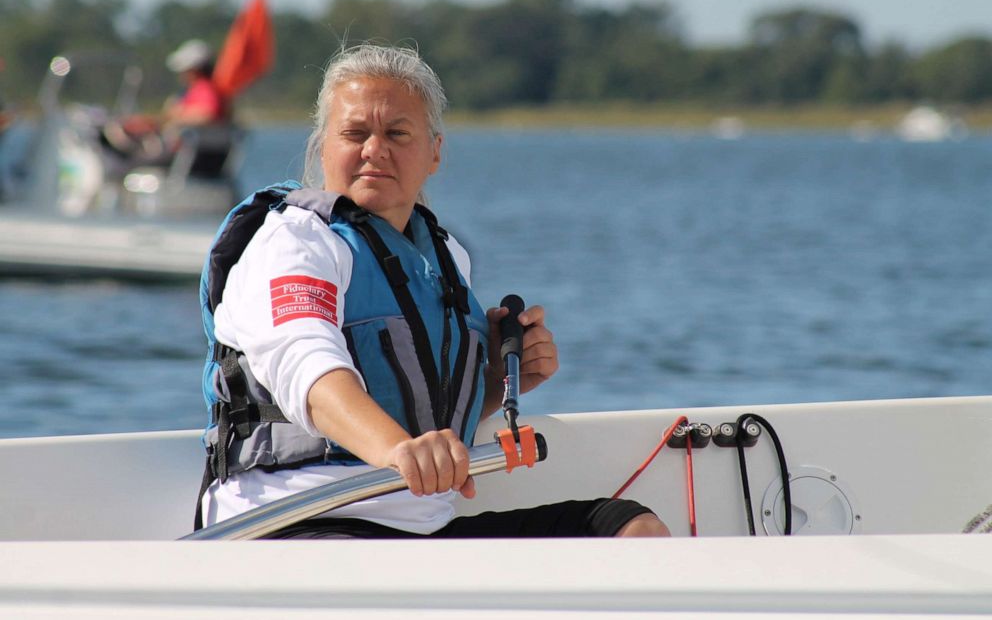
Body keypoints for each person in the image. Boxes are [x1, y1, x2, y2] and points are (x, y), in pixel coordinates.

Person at [197, 43, 670, 539]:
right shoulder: (293, 242)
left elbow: (424, 405)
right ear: (322, 148)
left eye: (397, 133)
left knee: (631, 529)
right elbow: (307, 368)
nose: (374, 149)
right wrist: (395, 451)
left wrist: (501, 381)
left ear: (434, 153)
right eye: (354, 133)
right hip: (296, 520)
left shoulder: (444, 256)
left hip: (422, 530)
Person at [103, 39, 230, 162]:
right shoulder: (197, 90)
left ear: (194, 70)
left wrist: (174, 117)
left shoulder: (205, 89)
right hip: (185, 150)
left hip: (185, 153)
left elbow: (207, 114)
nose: (181, 74)